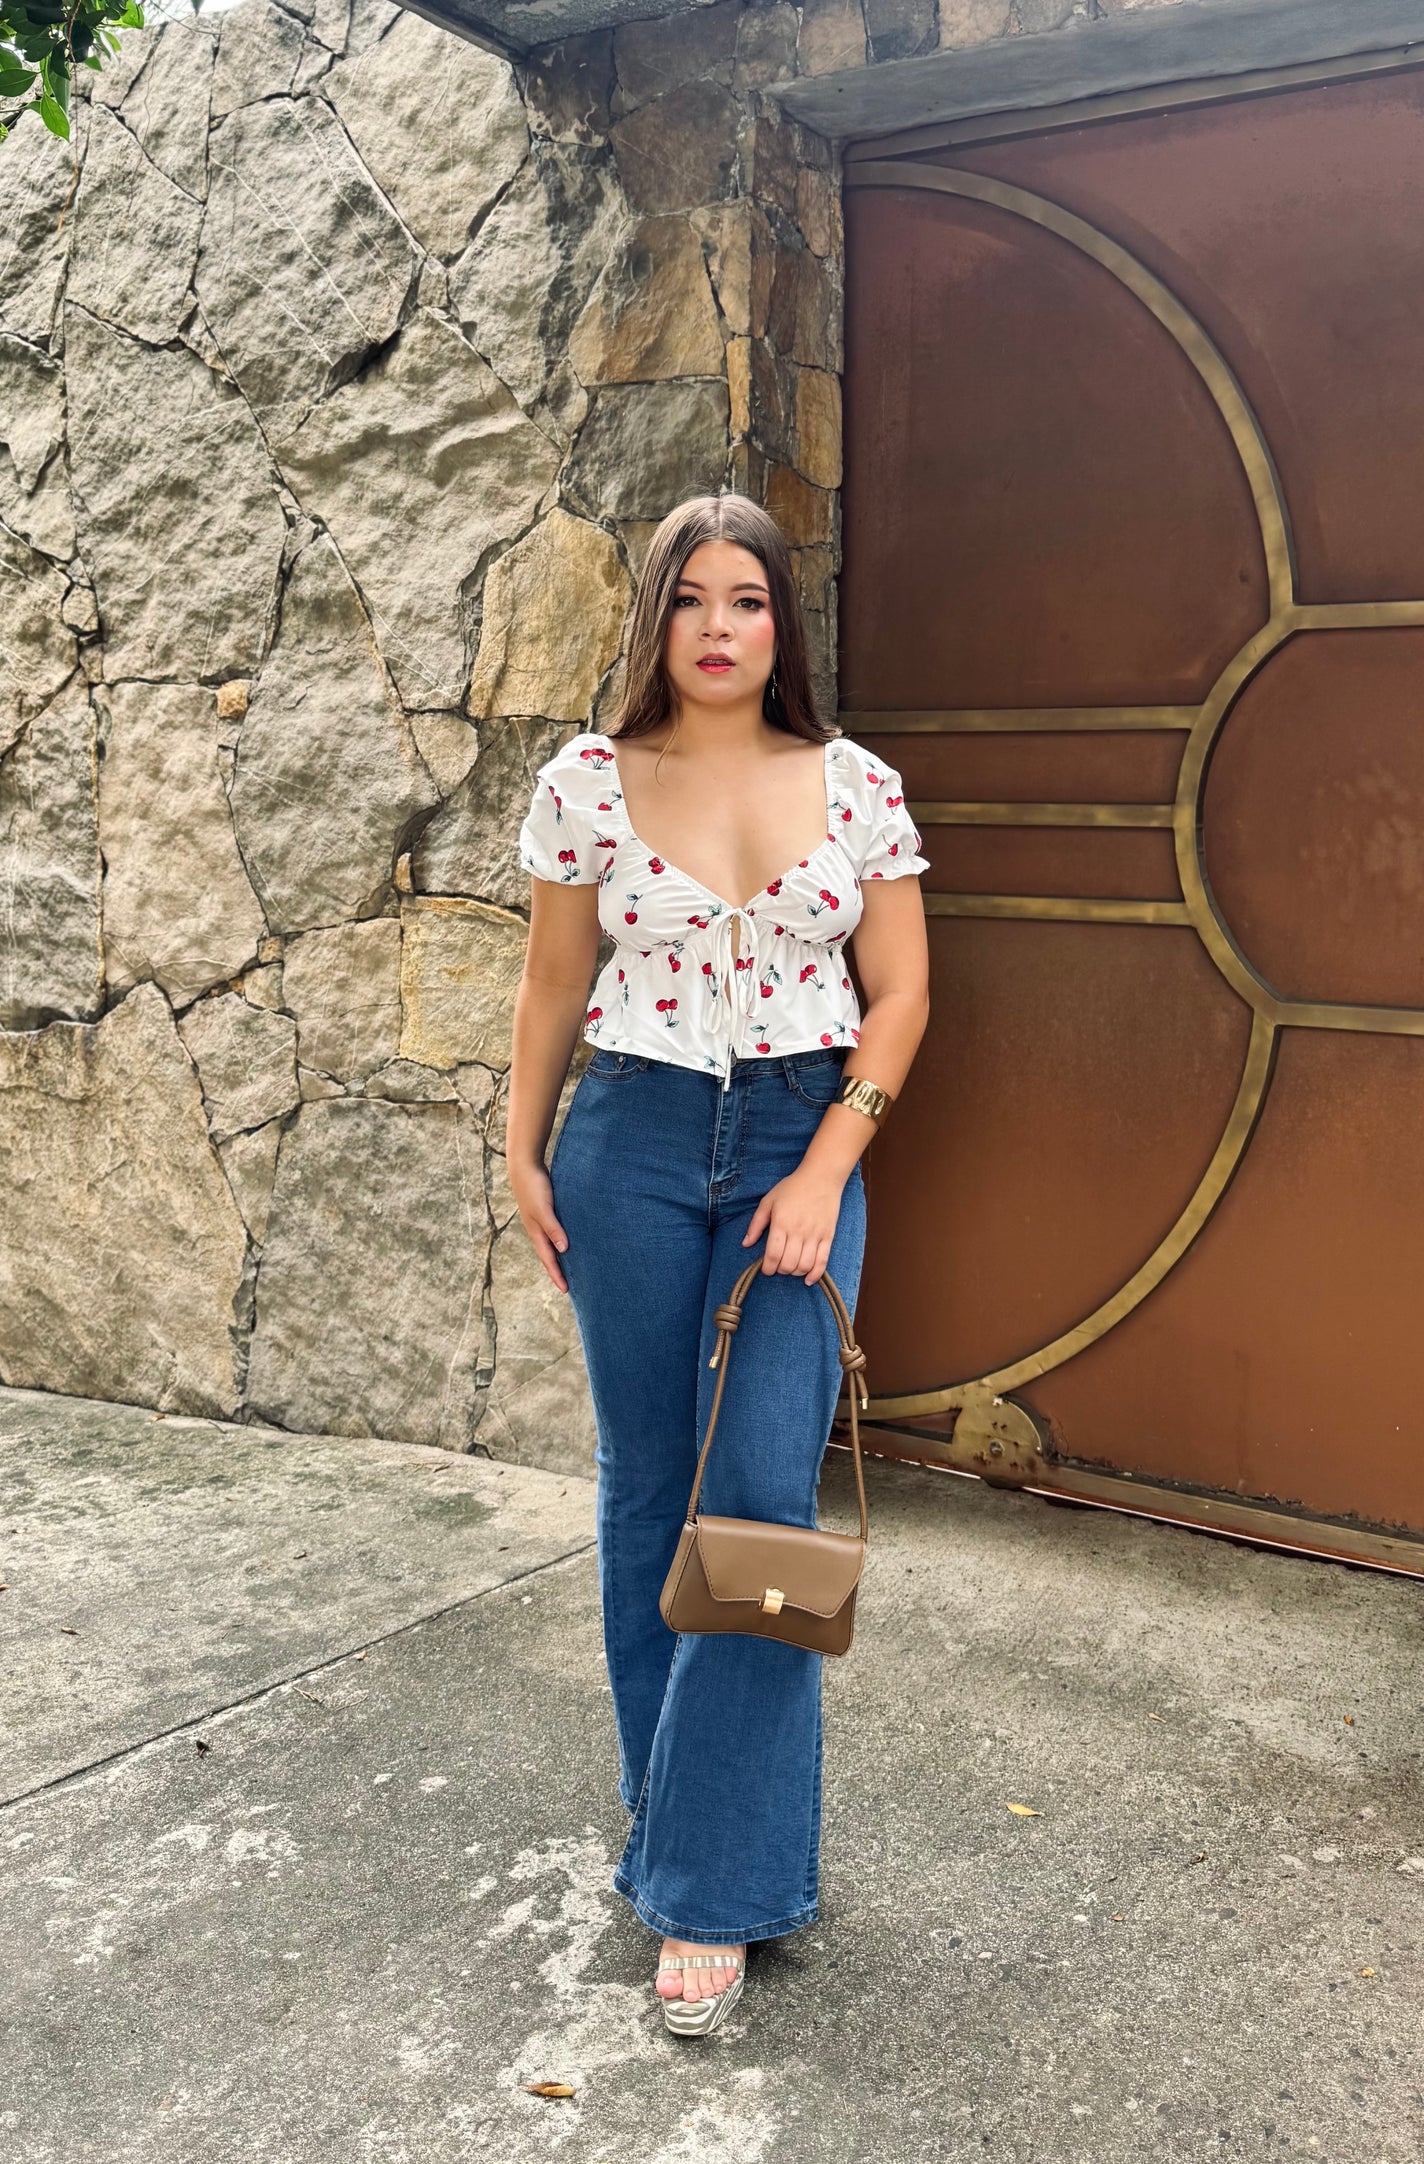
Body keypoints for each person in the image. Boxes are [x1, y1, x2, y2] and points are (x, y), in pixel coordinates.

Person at [506, 490, 930, 2036]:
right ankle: (679, 1818)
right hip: (628, 1136)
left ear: (779, 625)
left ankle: (708, 1886)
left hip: (797, 1142)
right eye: (690, 598)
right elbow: (553, 981)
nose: (717, 627)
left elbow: (902, 996)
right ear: (657, 621)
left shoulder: (857, 785)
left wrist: (824, 1167)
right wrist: (521, 1148)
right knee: (647, 1491)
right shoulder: (588, 782)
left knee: (756, 1503)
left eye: (745, 599)